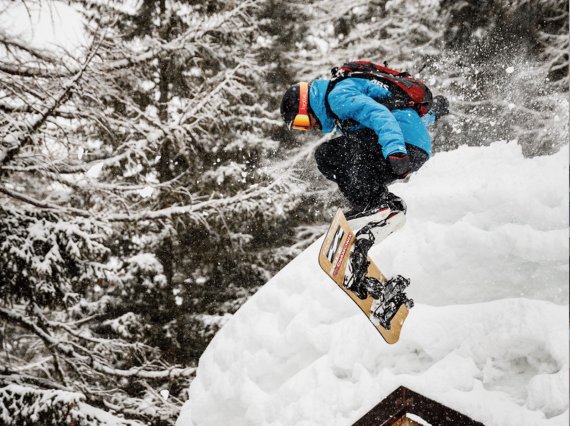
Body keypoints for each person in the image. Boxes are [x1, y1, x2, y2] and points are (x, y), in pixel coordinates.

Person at [280, 65, 449, 225]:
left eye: (302, 121)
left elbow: (379, 114)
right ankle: (384, 207)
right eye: (300, 127)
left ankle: (376, 205)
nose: (309, 127)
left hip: (399, 150)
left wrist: (395, 150)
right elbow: (403, 117)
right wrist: (433, 114)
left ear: (306, 104)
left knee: (327, 155)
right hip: (414, 148)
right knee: (348, 160)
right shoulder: (340, 115)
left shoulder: (337, 97)